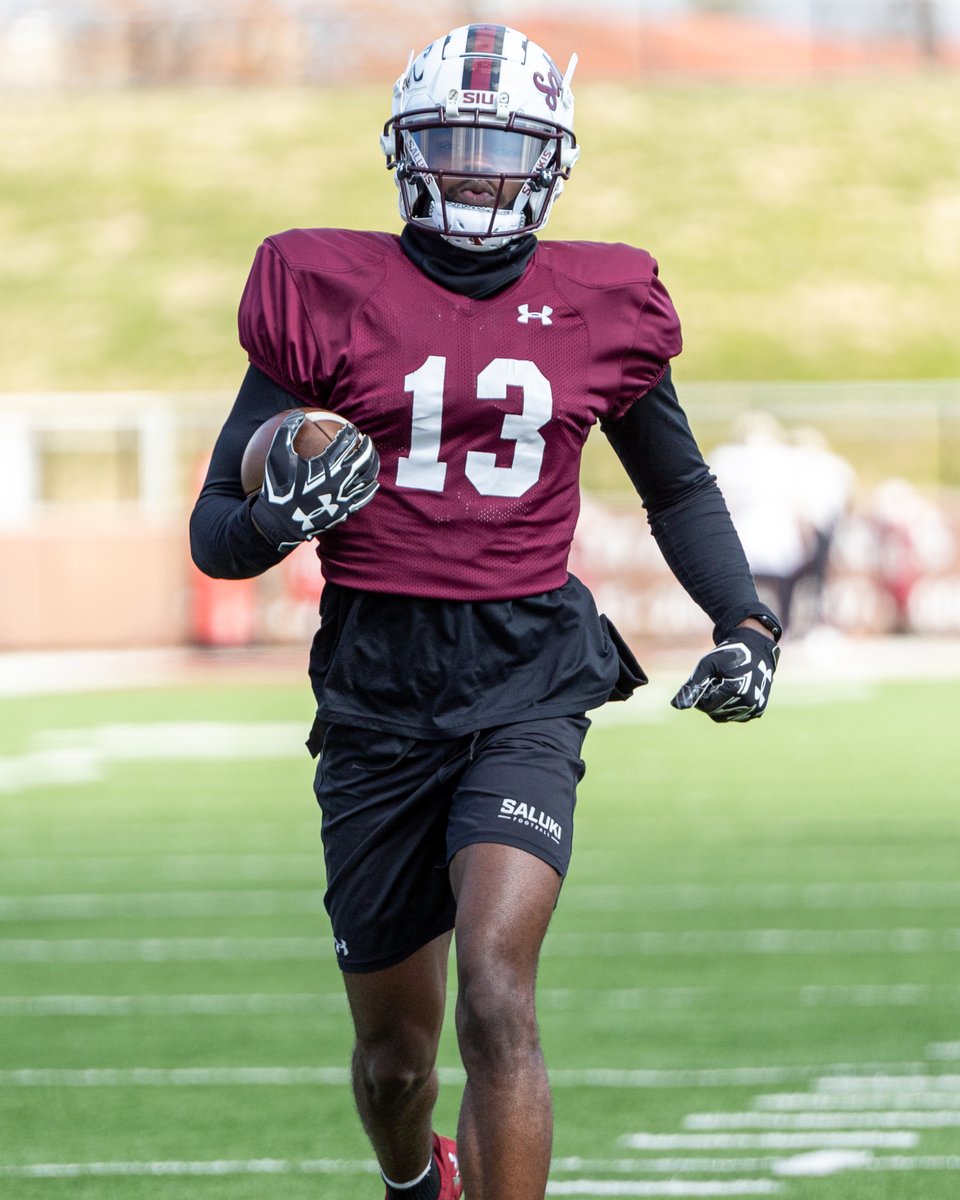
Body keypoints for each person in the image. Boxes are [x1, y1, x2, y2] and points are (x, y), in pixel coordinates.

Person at [190, 23, 782, 1200]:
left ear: (550, 162)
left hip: (527, 670)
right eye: (453, 143)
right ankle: (419, 1179)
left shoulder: (606, 299)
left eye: (501, 147)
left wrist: (746, 624)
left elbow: (678, 484)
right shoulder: (323, 286)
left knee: (500, 995)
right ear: (405, 150)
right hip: (376, 685)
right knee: (393, 1063)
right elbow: (217, 530)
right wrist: (281, 513)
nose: (474, 170)